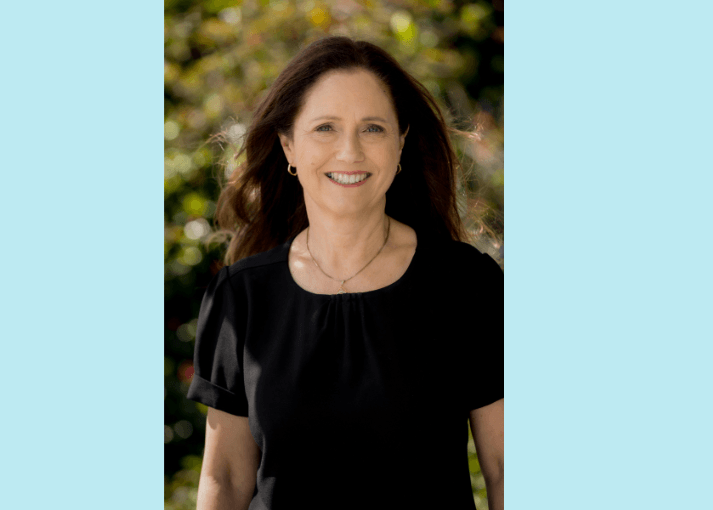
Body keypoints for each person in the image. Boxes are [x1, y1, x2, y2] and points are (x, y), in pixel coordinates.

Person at [188, 36, 503, 510]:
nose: (350, 151)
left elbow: (505, 468)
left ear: (401, 144)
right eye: (325, 128)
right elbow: (225, 480)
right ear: (288, 146)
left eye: (373, 128)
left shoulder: (466, 285)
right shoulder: (241, 297)